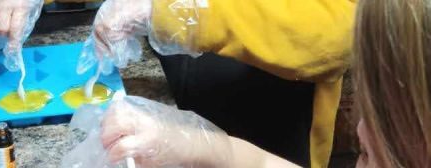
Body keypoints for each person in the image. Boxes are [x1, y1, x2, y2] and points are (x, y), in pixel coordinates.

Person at [98, 0, 431, 167]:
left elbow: (332, 32)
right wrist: (194, 142)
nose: (359, 133)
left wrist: (178, 14)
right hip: (199, 92)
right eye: (365, 154)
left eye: (369, 154)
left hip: (277, 114)